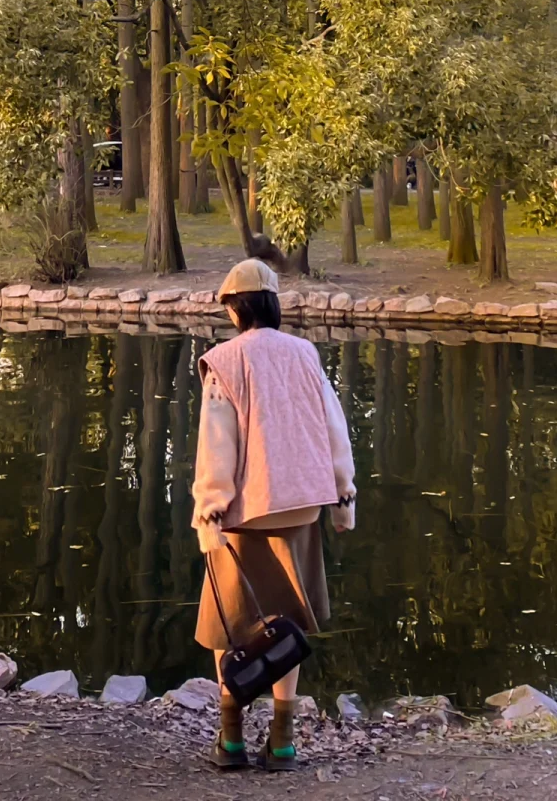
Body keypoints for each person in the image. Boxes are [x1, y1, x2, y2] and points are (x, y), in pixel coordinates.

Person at [192, 258, 356, 771]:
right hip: (301, 508)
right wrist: (344, 497)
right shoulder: (306, 354)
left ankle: (232, 741)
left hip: (242, 515)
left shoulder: (224, 360)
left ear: (234, 307)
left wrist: (209, 512)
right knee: (287, 627)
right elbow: (334, 428)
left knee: (229, 627)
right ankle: (283, 744)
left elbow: (217, 443)